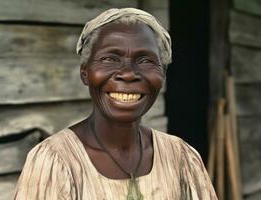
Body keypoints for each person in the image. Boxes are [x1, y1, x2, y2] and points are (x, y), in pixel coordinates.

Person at [14, 8, 217, 200]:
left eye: (146, 60)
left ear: (162, 74)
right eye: (110, 59)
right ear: (85, 72)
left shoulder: (180, 157)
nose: (128, 74)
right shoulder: (55, 161)